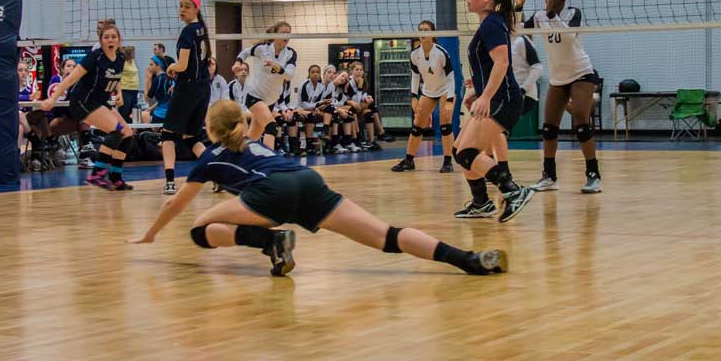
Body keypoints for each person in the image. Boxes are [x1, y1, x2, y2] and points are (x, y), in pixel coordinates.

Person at [129, 100, 507, 278]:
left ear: (209, 130)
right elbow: (261, 120)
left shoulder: (208, 158)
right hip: (308, 181)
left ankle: (271, 244)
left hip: (272, 194)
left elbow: (174, 205)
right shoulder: (254, 141)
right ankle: (467, 259)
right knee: (386, 235)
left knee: (199, 228)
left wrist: (149, 235)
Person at [452, 0, 533, 223]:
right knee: (460, 151)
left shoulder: (492, 25)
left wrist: (486, 96)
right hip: (495, 97)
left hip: (503, 99)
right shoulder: (490, 23)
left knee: (466, 152)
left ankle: (513, 190)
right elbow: (490, 66)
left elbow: (502, 62)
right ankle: (481, 203)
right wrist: (478, 89)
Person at [515, 0, 602, 194]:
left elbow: (569, 36)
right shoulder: (539, 16)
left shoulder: (573, 13)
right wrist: (518, 7)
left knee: (581, 124)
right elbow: (518, 34)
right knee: (549, 128)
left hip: (581, 72)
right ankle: (549, 177)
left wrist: (552, 15)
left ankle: (593, 176)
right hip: (558, 77)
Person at [40, 21, 132, 191]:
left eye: (113, 37)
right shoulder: (94, 57)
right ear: (101, 40)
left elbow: (115, 77)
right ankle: (97, 175)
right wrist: (52, 98)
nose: (110, 40)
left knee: (127, 134)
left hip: (101, 101)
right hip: (83, 101)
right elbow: (70, 79)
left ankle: (116, 177)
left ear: (119, 40)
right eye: (106, 37)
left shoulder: (120, 58)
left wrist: (118, 92)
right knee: (116, 132)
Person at [161, 0, 213, 195]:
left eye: (187, 6)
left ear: (196, 9)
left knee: (167, 135)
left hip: (188, 88)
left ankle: (170, 182)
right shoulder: (202, 29)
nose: (182, 10)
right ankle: (218, 175)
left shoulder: (188, 32)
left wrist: (171, 66)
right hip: (202, 87)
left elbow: (182, 65)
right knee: (192, 137)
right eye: (180, 5)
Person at [392, 21, 456, 173]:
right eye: (420, 30)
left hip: (445, 90)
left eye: (426, 30)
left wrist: (449, 100)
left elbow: (451, 77)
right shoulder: (415, 54)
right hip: (427, 91)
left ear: (432, 34)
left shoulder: (441, 53)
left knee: (445, 124)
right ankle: (409, 160)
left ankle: (447, 161)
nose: (422, 33)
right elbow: (415, 76)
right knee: (417, 124)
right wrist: (414, 97)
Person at [237, 23, 297, 149]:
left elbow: (289, 75)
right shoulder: (263, 49)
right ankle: (269, 163)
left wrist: (278, 68)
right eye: (283, 32)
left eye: (288, 32)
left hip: (271, 100)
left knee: (252, 137)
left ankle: (234, 154)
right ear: (274, 35)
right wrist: (238, 63)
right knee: (272, 128)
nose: (286, 35)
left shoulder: (291, 53)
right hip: (255, 96)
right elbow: (245, 53)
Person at [118, 46, 140, 123]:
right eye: (133, 52)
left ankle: (131, 130)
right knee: (124, 113)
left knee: (133, 113)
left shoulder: (133, 61)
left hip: (134, 90)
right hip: (125, 89)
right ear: (129, 53)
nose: (135, 54)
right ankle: (120, 131)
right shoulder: (122, 62)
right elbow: (118, 77)